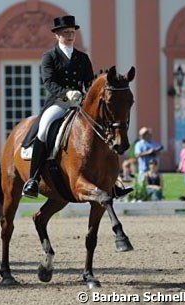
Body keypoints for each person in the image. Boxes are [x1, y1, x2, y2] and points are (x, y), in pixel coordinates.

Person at [22, 15, 132, 199]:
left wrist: (86, 95)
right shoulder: (50, 57)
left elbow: (89, 82)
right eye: (66, 32)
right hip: (58, 102)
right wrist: (66, 93)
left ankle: (112, 181)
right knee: (44, 129)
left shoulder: (82, 57)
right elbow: (48, 82)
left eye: (72, 32)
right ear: (57, 35)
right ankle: (32, 179)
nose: (70, 35)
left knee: (102, 129)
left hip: (80, 103)